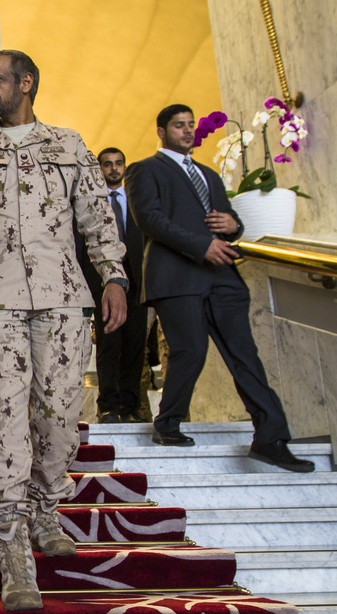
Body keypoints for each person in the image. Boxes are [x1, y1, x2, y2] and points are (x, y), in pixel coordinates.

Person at [0, 50, 128, 611]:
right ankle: (13, 546)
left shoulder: (69, 145)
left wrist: (114, 277)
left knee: (60, 416)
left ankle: (45, 506)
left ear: (26, 83)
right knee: (7, 421)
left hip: (64, 303)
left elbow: (96, 217)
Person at [123, 103, 314, 473]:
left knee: (246, 357)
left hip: (222, 278)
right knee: (189, 351)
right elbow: (150, 220)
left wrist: (233, 225)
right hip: (177, 276)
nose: (187, 131)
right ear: (161, 131)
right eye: (179, 126)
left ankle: (271, 438)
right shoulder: (143, 170)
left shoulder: (209, 175)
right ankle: (168, 423)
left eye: (191, 125)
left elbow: (231, 220)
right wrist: (200, 245)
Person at [75, 147, 148, 423]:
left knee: (135, 345)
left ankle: (130, 406)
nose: (113, 169)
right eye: (107, 164)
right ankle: (109, 406)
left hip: (138, 284)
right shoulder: (89, 202)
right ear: (99, 169)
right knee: (109, 344)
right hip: (102, 284)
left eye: (118, 163)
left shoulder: (137, 201)